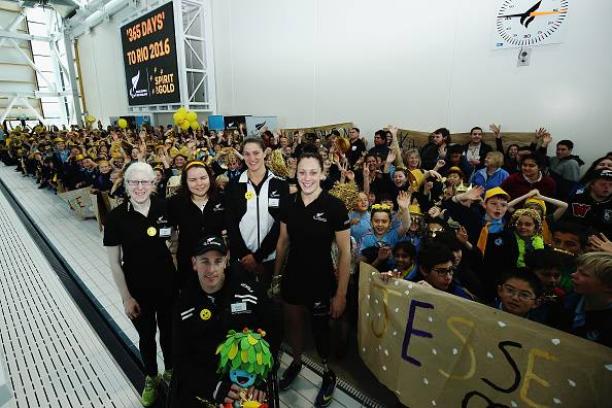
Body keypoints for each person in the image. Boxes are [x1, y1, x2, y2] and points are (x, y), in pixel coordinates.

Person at [274, 152, 351, 407]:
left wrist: (340, 294)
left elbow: (345, 254)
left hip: (322, 280)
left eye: (312, 172)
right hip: (293, 277)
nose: (307, 178)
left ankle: (328, 373)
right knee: (293, 325)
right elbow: (283, 241)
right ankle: (296, 362)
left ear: (322, 174)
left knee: (321, 333)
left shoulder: (334, 207)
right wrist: (276, 277)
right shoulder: (288, 203)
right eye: (302, 173)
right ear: (296, 174)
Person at [168, 235, 275, 408]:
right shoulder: (184, 304)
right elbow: (180, 358)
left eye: (218, 261)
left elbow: (272, 334)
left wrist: (260, 377)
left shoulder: (250, 293)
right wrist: (213, 387)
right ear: (194, 263)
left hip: (245, 375)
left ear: (226, 261)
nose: (211, 269)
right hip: (203, 380)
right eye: (205, 261)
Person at [103, 162, 177, 407]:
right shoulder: (116, 217)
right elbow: (114, 262)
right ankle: (151, 376)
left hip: (167, 284)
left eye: (145, 181)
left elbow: (177, 238)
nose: (139, 187)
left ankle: (170, 370)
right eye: (133, 182)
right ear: (126, 185)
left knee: (169, 333)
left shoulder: (165, 207)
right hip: (137, 289)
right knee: (146, 337)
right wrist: (126, 297)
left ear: (153, 183)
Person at [225, 137, 289, 291]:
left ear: (265, 153)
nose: (252, 158)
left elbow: (279, 225)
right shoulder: (233, 186)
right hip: (241, 259)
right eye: (247, 154)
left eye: (256, 153)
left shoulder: (280, 185)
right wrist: (246, 256)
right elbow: (230, 224)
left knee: (268, 308)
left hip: (270, 259)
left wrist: (258, 256)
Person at [168, 160, 226, 289]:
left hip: (216, 263)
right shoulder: (175, 203)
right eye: (193, 179)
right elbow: (167, 228)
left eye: (203, 178)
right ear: (185, 182)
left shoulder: (221, 199)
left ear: (210, 178)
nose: (199, 183)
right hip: (188, 263)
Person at [566, 252, 612, 348]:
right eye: (577, 270)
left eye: (583, 274)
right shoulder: (569, 299)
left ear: (608, 286)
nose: (573, 275)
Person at [563, 168, 612, 239]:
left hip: (602, 243)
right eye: (602, 184)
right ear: (592, 184)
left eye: (611, 184)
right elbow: (565, 220)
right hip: (573, 237)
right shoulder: (577, 197)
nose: (607, 187)